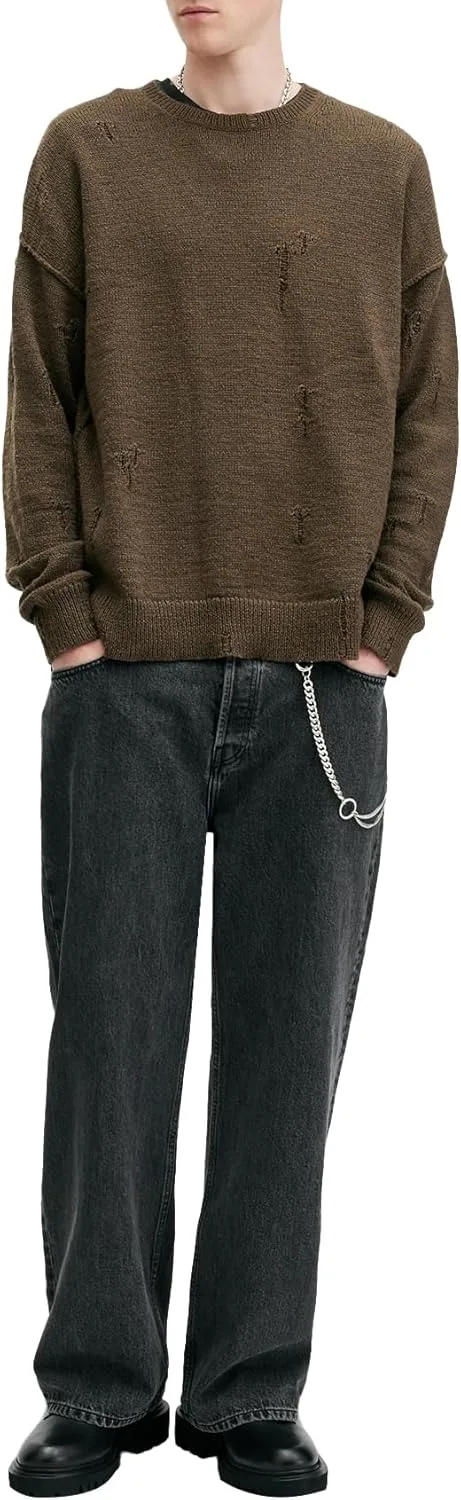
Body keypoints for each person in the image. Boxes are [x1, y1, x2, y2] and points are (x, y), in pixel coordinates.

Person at [2, 1, 458, 1495]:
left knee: (287, 1052)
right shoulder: (85, 153)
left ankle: (250, 1390)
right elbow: (38, 397)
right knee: (109, 1044)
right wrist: (67, 613)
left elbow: (430, 405)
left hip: (325, 680)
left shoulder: (384, 167)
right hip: (122, 676)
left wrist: (383, 621)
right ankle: (98, 1386)